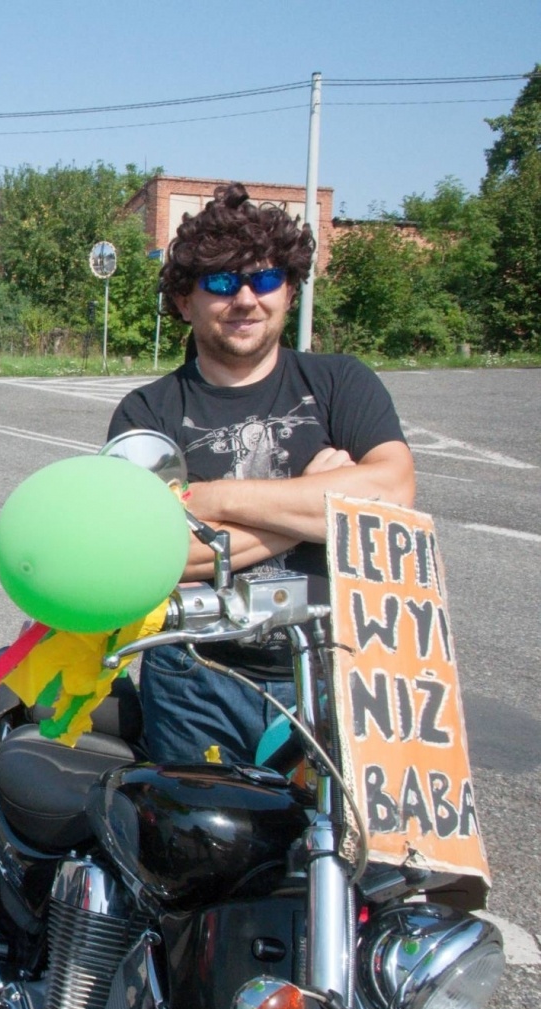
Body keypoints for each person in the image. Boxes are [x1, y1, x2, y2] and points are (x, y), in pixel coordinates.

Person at [108, 183, 415, 766]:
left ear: (290, 291)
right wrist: (318, 508)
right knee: (201, 847)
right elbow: (148, 557)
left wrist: (214, 497)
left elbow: (393, 492)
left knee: (345, 853)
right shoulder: (147, 413)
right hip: (195, 677)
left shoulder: (338, 383)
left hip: (336, 668)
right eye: (222, 283)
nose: (246, 298)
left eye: (266, 280)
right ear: (184, 301)